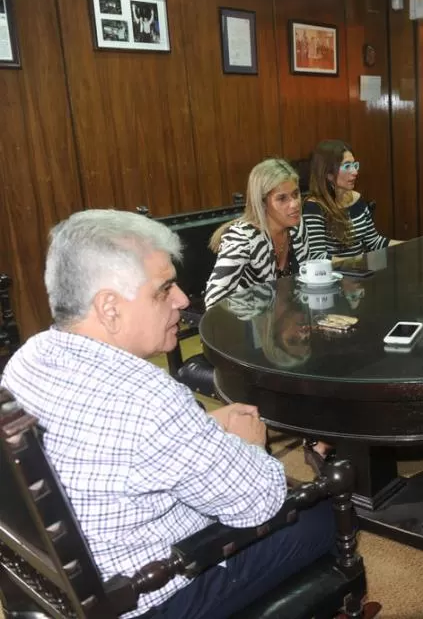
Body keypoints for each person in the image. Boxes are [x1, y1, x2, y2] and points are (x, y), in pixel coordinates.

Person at [1, 210, 336, 619]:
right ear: (109, 308)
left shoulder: (29, 358)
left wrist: (203, 428)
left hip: (65, 586)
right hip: (144, 598)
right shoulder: (147, 398)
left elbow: (108, 447)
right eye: (164, 289)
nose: (181, 300)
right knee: (320, 514)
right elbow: (259, 502)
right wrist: (250, 447)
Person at [205, 158, 325, 309]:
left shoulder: (297, 227)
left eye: (296, 194)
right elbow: (213, 302)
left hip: (290, 321)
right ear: (262, 202)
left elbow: (306, 282)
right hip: (249, 326)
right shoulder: (242, 237)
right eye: (282, 198)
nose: (295, 204)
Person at [303, 139, 391, 258]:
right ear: (328, 174)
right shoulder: (313, 207)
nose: (355, 172)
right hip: (337, 274)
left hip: (361, 272)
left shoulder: (357, 199)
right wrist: (355, 263)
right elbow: (319, 257)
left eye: (355, 165)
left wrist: (409, 246)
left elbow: (374, 242)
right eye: (347, 166)